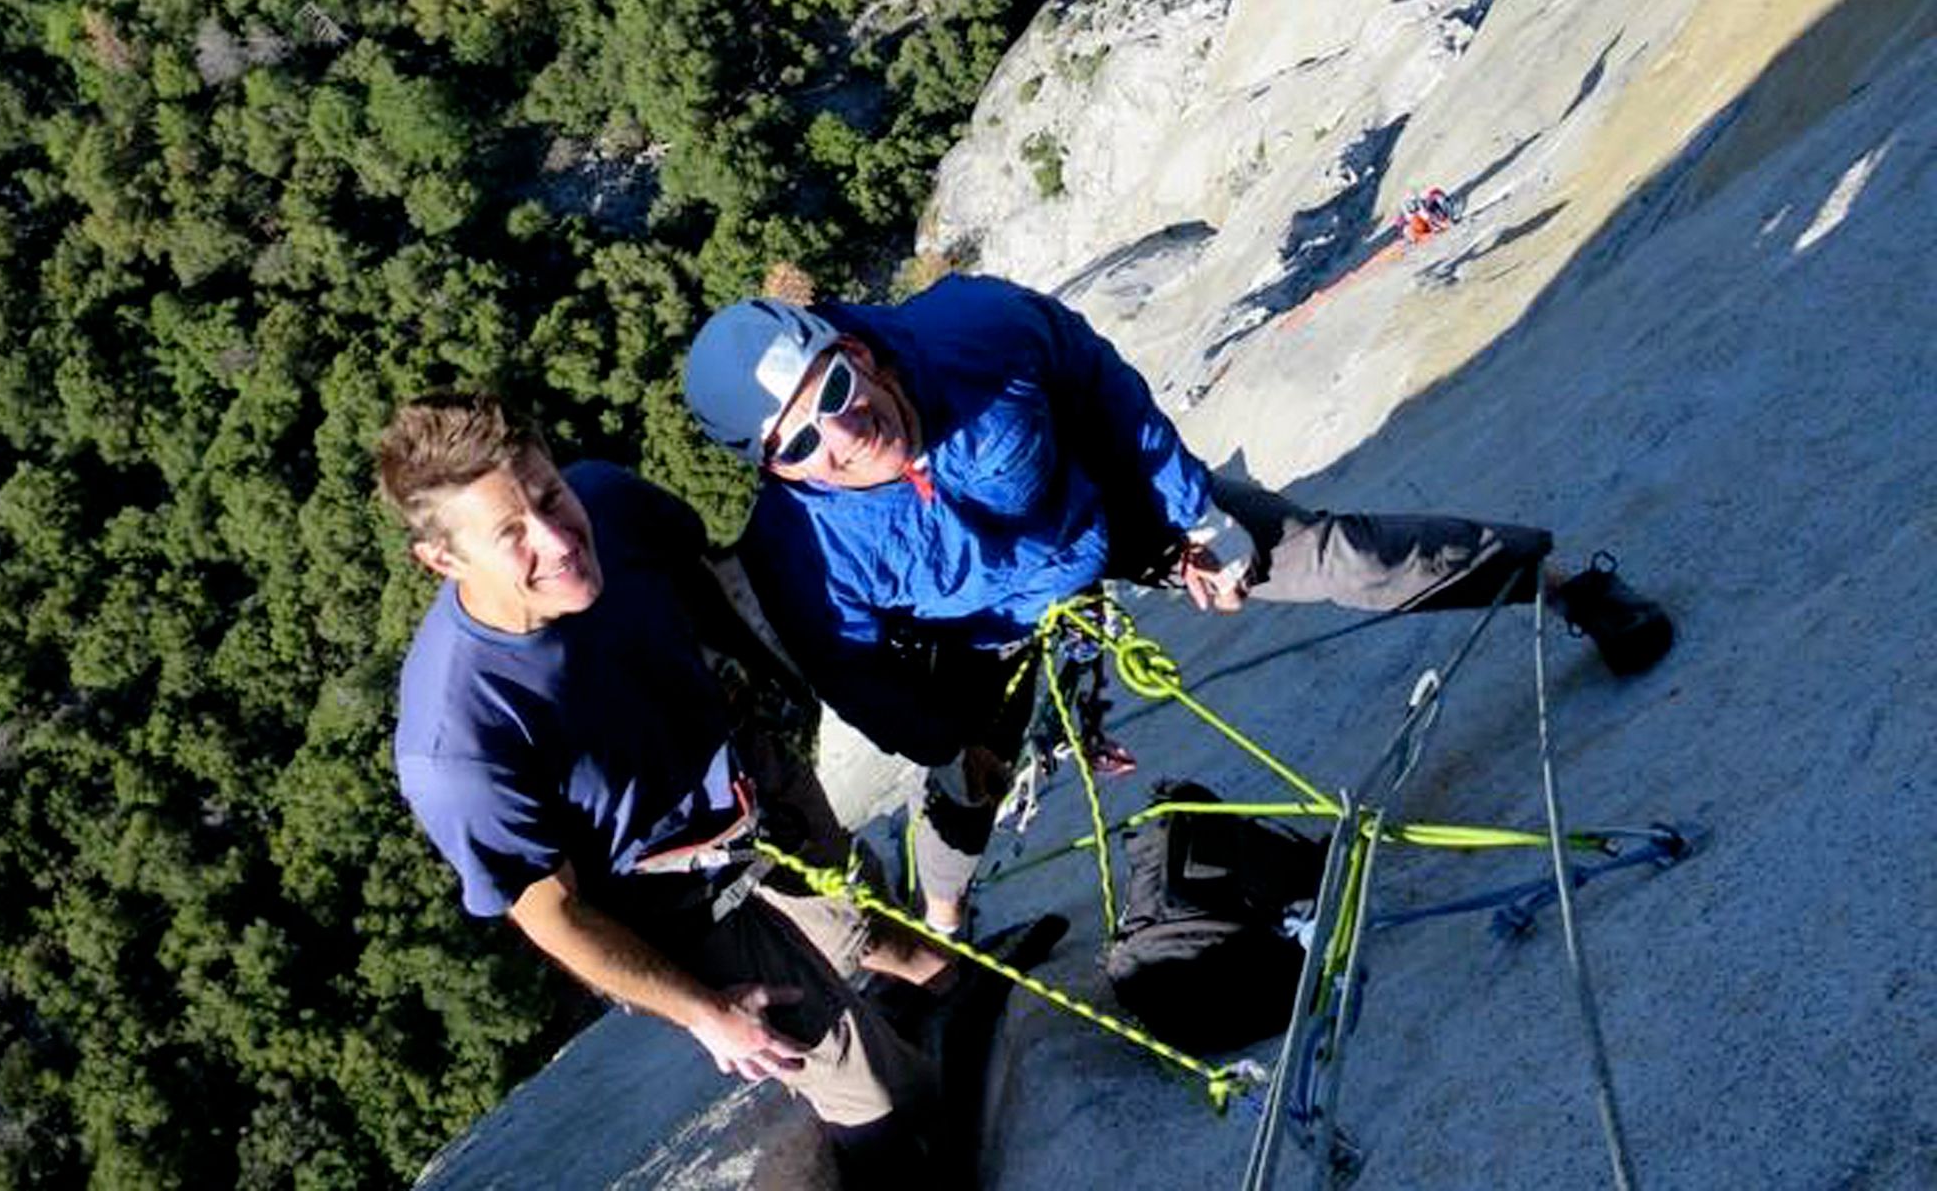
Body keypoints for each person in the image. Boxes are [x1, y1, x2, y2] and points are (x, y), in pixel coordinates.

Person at [682, 277, 1672, 934]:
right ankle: (947, 935)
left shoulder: (974, 332)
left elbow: (1100, 388)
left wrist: (1198, 518)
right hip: (984, 626)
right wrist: (946, 736)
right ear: (768, 465)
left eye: (839, 388)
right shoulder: (798, 549)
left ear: (857, 347)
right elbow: (851, 667)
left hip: (1105, 511)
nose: (844, 432)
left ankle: (1565, 580)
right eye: (800, 441)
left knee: (1337, 555)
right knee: (961, 791)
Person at [374, 393, 950, 1184]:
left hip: (744, 776)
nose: (557, 539)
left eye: (548, 496)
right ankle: (897, 1146)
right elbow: (552, 912)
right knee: (864, 1085)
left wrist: (771, 682)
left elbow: (699, 580)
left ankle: (942, 984)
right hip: (665, 898)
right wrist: (704, 1011)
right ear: (442, 559)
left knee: (868, 926)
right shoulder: (459, 742)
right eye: (510, 533)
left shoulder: (609, 501)